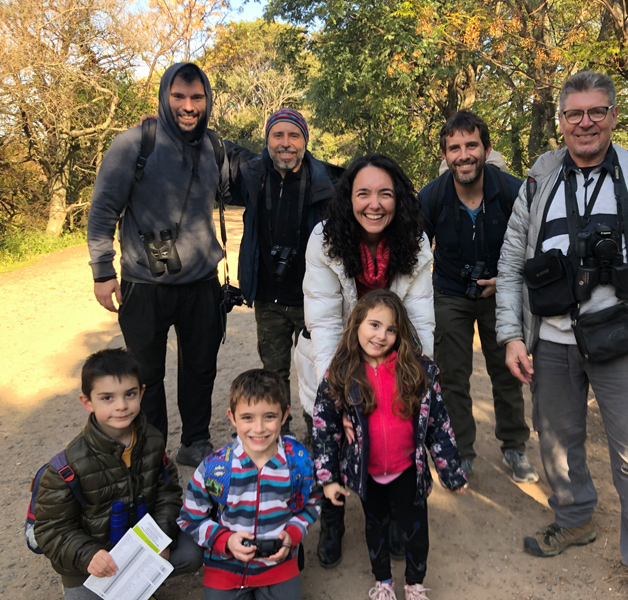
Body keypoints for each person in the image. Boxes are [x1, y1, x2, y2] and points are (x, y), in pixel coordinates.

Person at [495, 71, 628, 600]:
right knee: (557, 443)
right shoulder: (539, 178)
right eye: (574, 114)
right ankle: (575, 518)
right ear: (561, 121)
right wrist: (512, 335)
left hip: (623, 340)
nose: (585, 123)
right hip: (552, 339)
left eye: (596, 112)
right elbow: (511, 261)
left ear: (612, 116)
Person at [295, 153, 435, 568]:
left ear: (399, 199)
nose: (374, 204)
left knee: (391, 441)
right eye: (364, 194)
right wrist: (337, 398)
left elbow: (420, 318)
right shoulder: (324, 240)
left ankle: (391, 517)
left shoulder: (415, 241)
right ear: (348, 198)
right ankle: (333, 521)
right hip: (332, 361)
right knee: (331, 441)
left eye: (385, 194)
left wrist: (420, 382)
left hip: (390, 363)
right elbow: (324, 322)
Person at [87, 62, 228, 467]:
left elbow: (249, 178)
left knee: (200, 368)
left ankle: (195, 440)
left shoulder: (214, 147)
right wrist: (103, 271)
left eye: (197, 97)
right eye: (179, 96)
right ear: (165, 96)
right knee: (146, 375)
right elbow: (102, 212)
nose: (188, 106)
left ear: (207, 100)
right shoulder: (133, 145)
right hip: (144, 283)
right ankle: (153, 452)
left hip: (202, 282)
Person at [313, 289, 467, 600]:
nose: (381, 336)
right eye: (374, 325)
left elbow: (439, 425)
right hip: (367, 473)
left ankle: (414, 584)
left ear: (400, 333)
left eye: (391, 329)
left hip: (408, 469)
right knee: (376, 528)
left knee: (416, 531)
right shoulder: (340, 373)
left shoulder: (418, 371)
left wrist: (451, 471)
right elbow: (324, 428)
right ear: (357, 323)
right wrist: (328, 478)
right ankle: (383, 582)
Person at [419, 110, 537, 482]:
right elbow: (416, 254)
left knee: (507, 371)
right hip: (449, 291)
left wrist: (507, 280)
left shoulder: (513, 191)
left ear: (486, 149)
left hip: (502, 290)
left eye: (471, 145)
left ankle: (514, 446)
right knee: (452, 376)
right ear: (445, 155)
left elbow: (538, 247)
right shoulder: (431, 197)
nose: (464, 155)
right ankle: (460, 452)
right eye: (454, 148)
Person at [34, 348, 203, 599]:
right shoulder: (67, 466)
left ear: (142, 392)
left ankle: (140, 584)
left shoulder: (153, 440)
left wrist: (161, 537)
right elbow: (51, 529)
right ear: (87, 402)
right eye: (107, 398)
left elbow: (168, 494)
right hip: (95, 560)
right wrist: (88, 556)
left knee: (192, 553)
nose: (121, 406)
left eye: (130, 394)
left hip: (139, 548)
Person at [225, 108, 343, 437]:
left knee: (317, 374)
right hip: (269, 297)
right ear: (268, 140)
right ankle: (279, 439)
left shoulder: (328, 182)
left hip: (313, 299)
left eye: (294, 135)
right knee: (274, 375)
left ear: (305, 140)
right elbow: (216, 147)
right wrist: (161, 126)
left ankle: (318, 438)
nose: (286, 143)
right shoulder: (252, 175)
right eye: (278, 135)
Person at [178, 368, 322, 599]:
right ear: (232, 417)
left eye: (269, 416)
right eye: (247, 417)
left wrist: (293, 534)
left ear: (284, 415)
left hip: (278, 567)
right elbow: (189, 518)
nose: (259, 428)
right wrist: (225, 540)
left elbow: (313, 501)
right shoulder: (215, 468)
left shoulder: (299, 463)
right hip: (225, 568)